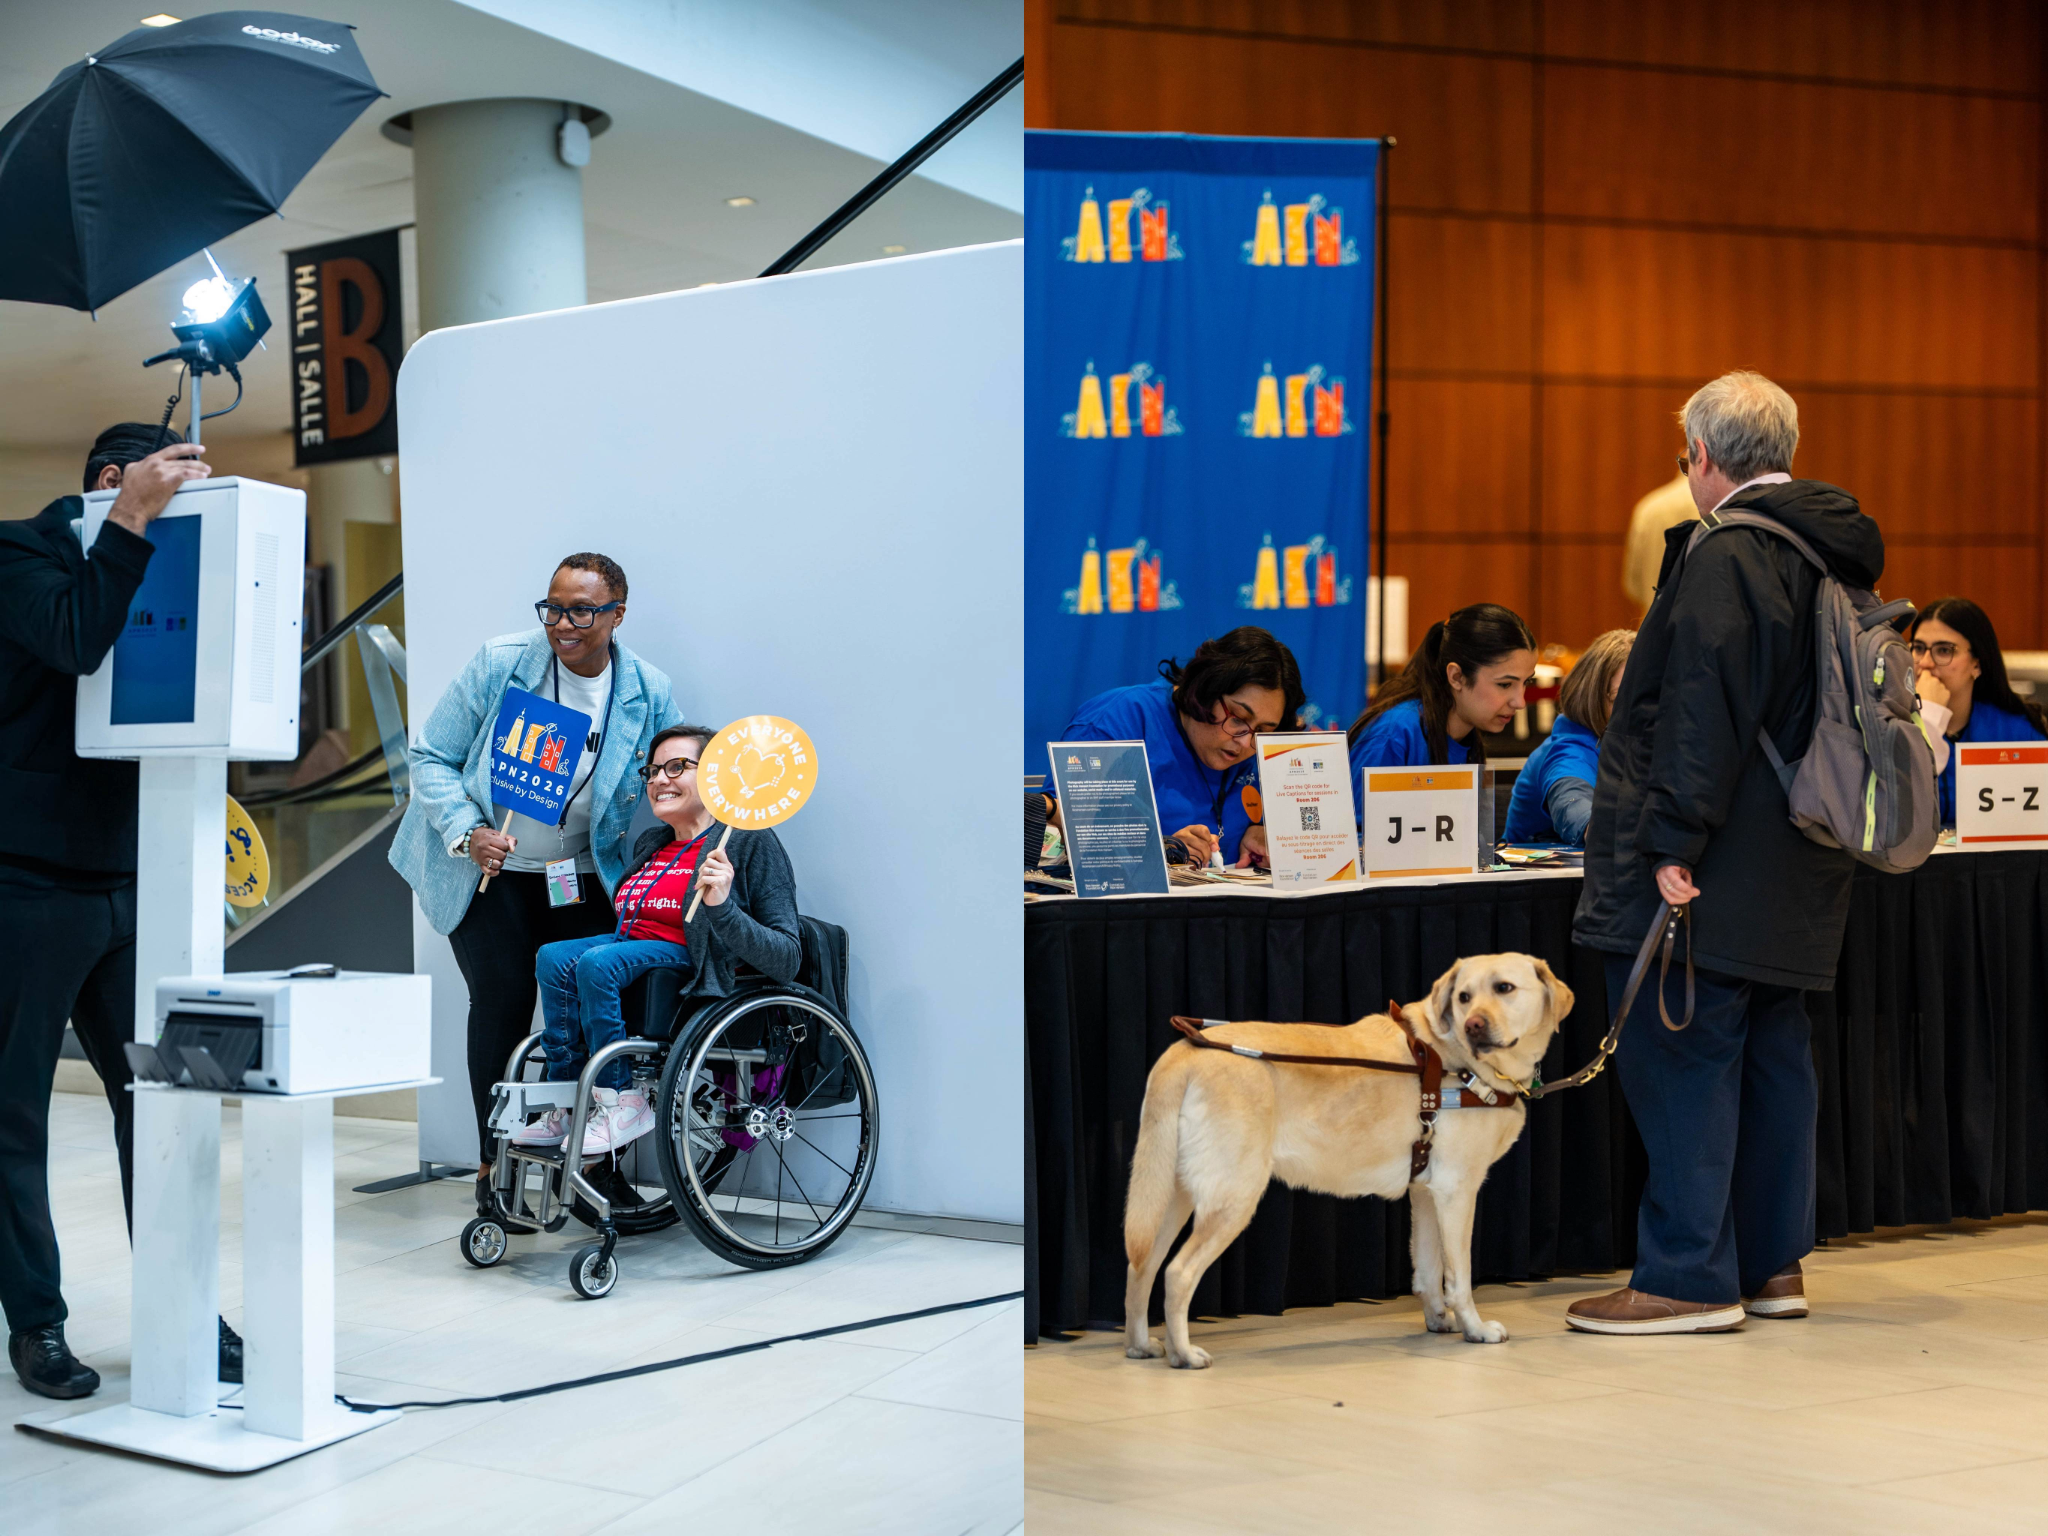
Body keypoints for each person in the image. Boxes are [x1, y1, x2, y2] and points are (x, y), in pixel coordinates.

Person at [1570, 370, 1884, 1335]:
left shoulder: (1730, 551)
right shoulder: (1835, 549)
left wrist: (1670, 840)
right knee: (1773, 1056)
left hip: (1718, 851)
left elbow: (1698, 712)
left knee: (1684, 1056)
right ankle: (1771, 1267)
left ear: (1702, 457)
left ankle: (1685, 1279)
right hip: (1807, 841)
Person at [0, 425, 257, 1400]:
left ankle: (184, 1310)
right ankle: (38, 1324)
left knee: (161, 1104)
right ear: (116, 481)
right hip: (24, 883)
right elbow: (73, 636)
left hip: (136, 882)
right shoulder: (19, 551)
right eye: (167, 488)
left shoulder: (162, 559)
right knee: (13, 1117)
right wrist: (139, 518)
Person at [388, 553, 682, 1205]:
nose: (563, 622)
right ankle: (498, 1168)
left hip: (575, 874)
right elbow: (430, 755)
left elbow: (672, 773)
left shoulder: (647, 691)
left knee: (592, 1002)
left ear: (617, 615)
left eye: (581, 609)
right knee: (501, 1002)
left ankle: (596, 1169)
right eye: (553, 607)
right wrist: (469, 830)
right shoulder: (503, 663)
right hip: (489, 871)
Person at [511, 724, 801, 1154]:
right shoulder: (653, 841)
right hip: (636, 958)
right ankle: (566, 1099)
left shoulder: (745, 841)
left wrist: (722, 906)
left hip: (693, 968)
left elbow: (787, 958)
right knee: (553, 956)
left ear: (716, 774)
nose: (660, 779)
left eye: (677, 767)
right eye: (652, 770)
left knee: (597, 962)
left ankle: (622, 1102)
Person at [1054, 626, 1303, 868]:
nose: (1245, 741)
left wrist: (1263, 834)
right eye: (1237, 718)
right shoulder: (1117, 721)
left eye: (1262, 730)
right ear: (1205, 689)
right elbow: (1055, 830)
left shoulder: (1265, 747)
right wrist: (1158, 850)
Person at [1347, 603, 1535, 825]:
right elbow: (1356, 844)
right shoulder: (1392, 735)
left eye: (1527, 682)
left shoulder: (1465, 733)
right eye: (1505, 685)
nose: (1520, 702)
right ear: (1456, 677)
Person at [1908, 597, 2048, 826]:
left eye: (1943, 650)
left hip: (1993, 861)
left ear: (1977, 664)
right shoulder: (1888, 724)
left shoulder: (2017, 732)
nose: (1925, 663)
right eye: (1918, 648)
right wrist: (1928, 717)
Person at [1503, 629, 1635, 845]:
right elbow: (1574, 804)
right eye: (1620, 699)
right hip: (1536, 877)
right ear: (1591, 698)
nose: (1641, 710)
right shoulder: (1569, 750)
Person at [1623, 473, 1697, 615]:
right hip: (1701, 629)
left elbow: (1633, 585)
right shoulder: (1721, 506)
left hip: (1652, 626)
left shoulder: (1650, 506)